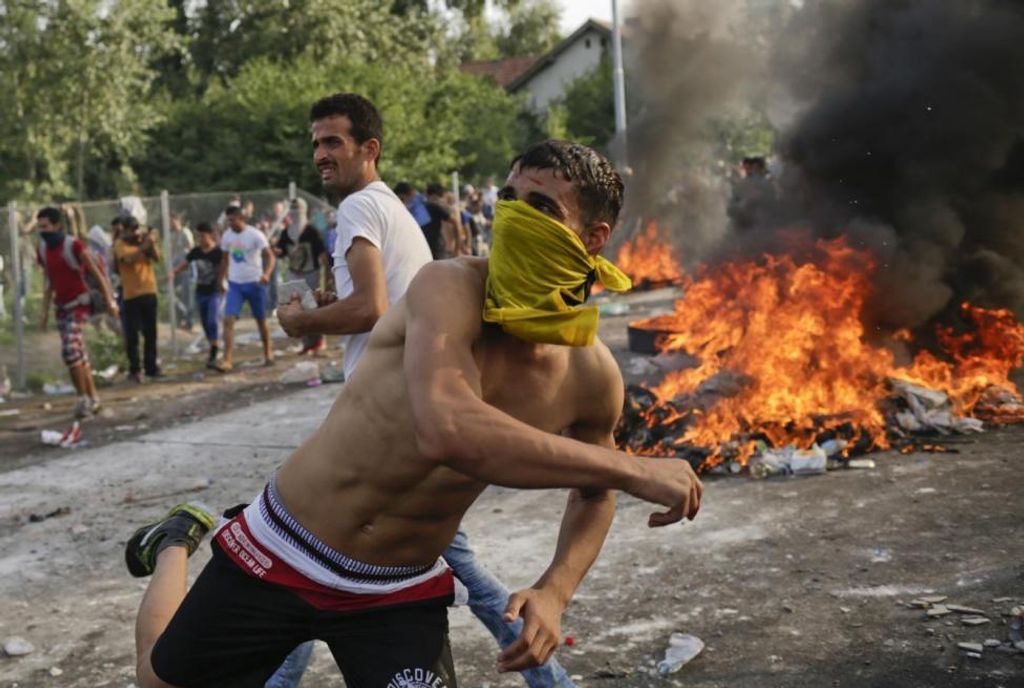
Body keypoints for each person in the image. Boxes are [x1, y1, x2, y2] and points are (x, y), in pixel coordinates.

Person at [125, 139, 704, 687]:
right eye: (508, 199)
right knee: (159, 679)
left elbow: (592, 492)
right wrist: (636, 469)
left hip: (394, 588)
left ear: (593, 236)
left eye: (542, 207)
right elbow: (448, 429)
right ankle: (177, 538)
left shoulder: (591, 375)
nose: (513, 216)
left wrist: (556, 589)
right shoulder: (448, 287)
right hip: (283, 543)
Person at [35, 207, 119, 418]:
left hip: (79, 304)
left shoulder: (73, 245)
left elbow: (97, 274)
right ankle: (93, 399)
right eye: (40, 227)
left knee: (70, 351)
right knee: (79, 354)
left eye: (45, 226)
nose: (42, 230)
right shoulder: (43, 248)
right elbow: (49, 280)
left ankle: (82, 399)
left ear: (56, 225)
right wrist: (44, 310)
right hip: (61, 306)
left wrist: (110, 300)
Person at [217, 205, 275, 371]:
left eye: (233, 219)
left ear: (241, 218)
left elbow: (270, 256)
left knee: (261, 320)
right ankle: (227, 360)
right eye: (228, 220)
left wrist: (267, 274)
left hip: (255, 282)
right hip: (235, 284)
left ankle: (268, 353)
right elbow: (225, 259)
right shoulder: (227, 236)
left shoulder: (255, 234)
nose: (230, 223)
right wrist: (222, 279)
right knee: (228, 320)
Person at [274, 198, 328, 355]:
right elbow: (282, 251)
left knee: (312, 308)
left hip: (311, 273)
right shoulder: (287, 232)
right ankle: (307, 342)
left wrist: (328, 276)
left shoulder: (312, 231)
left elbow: (322, 254)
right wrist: (274, 250)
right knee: (298, 309)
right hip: (294, 273)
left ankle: (318, 341)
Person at [114, 215, 163, 382]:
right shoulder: (120, 244)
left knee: (151, 333)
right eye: (131, 229)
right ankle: (135, 369)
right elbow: (128, 259)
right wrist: (144, 245)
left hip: (149, 290)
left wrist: (152, 242)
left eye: (136, 229)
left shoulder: (142, 241)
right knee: (132, 335)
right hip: (131, 294)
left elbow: (157, 258)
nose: (135, 232)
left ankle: (151, 367)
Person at [172, 223, 223, 369]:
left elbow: (224, 268)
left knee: (212, 319)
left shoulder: (218, 252)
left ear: (210, 235)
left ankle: (214, 350)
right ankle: (212, 345)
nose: (200, 239)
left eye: (202, 235)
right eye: (198, 236)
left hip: (214, 291)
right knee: (205, 322)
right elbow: (185, 263)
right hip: (201, 292)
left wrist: (223, 282)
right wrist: (173, 273)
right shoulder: (196, 252)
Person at [169, 213, 195, 331]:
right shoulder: (171, 235)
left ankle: (189, 322)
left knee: (187, 295)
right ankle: (180, 318)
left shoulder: (185, 232)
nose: (171, 223)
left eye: (172, 221)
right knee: (171, 294)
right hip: (175, 267)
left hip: (185, 267)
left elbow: (190, 248)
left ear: (178, 221)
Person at [423, 181, 457, 259]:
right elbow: (456, 224)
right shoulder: (439, 207)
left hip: (434, 248)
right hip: (438, 248)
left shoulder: (425, 207)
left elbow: (455, 224)